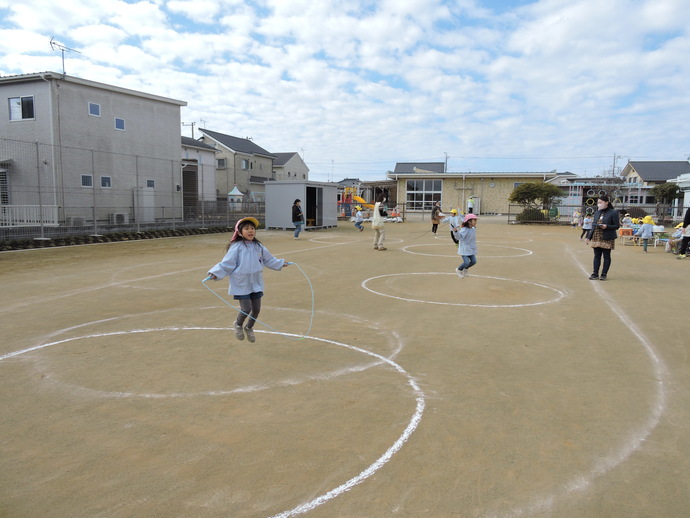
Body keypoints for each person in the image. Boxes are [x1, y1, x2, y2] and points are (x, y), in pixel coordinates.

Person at [207, 217, 288, 343]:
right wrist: (216, 273)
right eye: (246, 228)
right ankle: (238, 325)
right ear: (239, 232)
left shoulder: (258, 246)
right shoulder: (236, 247)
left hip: (256, 282)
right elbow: (227, 263)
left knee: (256, 309)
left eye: (252, 228)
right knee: (246, 309)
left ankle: (249, 327)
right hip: (241, 283)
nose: (251, 231)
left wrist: (280, 263)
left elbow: (269, 259)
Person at [585, 195, 620, 281]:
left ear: (606, 203)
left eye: (601, 202)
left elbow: (617, 226)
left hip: (607, 237)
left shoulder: (613, 212)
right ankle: (595, 273)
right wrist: (588, 237)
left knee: (606, 256)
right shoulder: (597, 212)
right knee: (597, 256)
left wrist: (607, 226)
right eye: (598, 203)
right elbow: (593, 225)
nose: (599, 204)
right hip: (597, 236)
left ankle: (604, 274)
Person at [454, 213, 478, 278]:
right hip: (465, 249)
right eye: (474, 220)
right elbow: (459, 237)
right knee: (466, 262)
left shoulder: (473, 228)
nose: (476, 222)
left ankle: (465, 269)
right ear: (469, 221)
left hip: (471, 248)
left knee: (474, 261)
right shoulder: (464, 229)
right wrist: (456, 232)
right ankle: (459, 269)